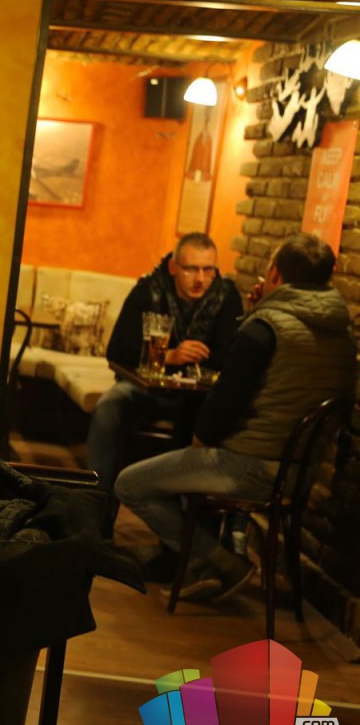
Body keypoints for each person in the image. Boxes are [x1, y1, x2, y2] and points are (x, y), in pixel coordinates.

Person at [116, 234, 356, 602]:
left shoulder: (264, 330)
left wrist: (199, 441)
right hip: (300, 474)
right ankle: (207, 566)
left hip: (250, 468)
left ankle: (219, 562)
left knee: (130, 484)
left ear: (274, 274)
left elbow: (225, 402)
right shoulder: (343, 332)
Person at [86, 232, 244, 496]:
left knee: (212, 420)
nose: (200, 279)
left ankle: (180, 510)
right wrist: (168, 356)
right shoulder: (148, 290)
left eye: (208, 270)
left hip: (199, 397)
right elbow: (117, 350)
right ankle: (96, 499)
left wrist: (196, 358)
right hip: (146, 391)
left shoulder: (226, 296)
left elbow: (231, 355)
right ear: (173, 267)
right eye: (191, 269)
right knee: (108, 407)